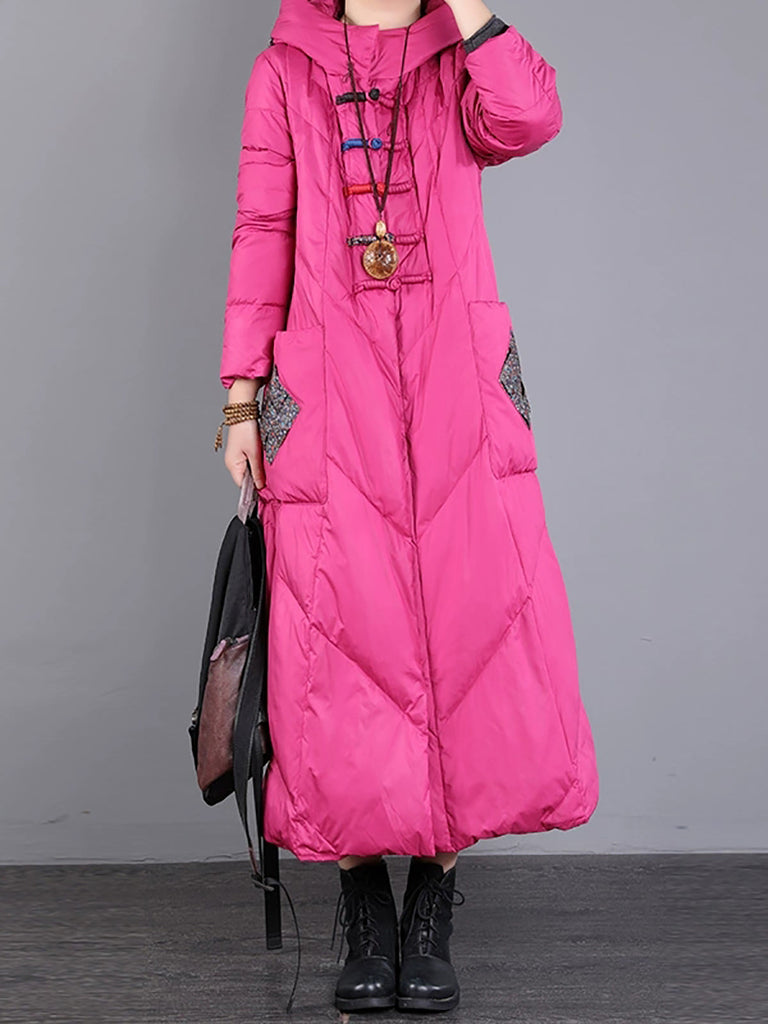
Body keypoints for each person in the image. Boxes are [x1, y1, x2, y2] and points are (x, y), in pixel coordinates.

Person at [215, 0, 599, 1013]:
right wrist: (242, 396)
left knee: (467, 631)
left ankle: (433, 898)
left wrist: (466, 8)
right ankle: (363, 907)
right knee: (341, 642)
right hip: (329, 390)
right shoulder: (285, 70)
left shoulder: (457, 61)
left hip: (456, 386)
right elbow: (264, 229)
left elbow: (529, 115)